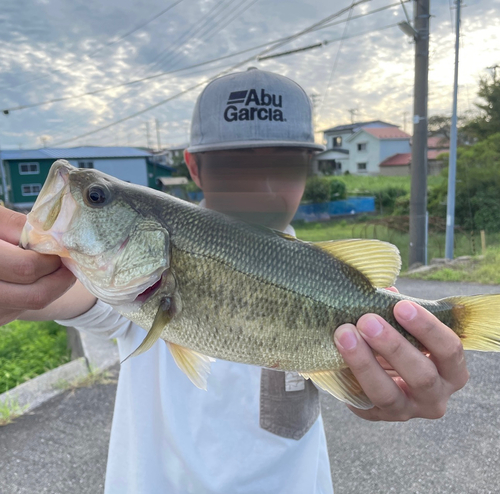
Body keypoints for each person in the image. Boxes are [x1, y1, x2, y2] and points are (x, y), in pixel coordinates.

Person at [0, 68, 469, 493]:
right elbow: (53, 293)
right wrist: (20, 287)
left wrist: (385, 387)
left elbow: (361, 382)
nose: (260, 184)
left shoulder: (327, 276)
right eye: (234, 163)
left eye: (282, 164)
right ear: (194, 166)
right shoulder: (119, 282)